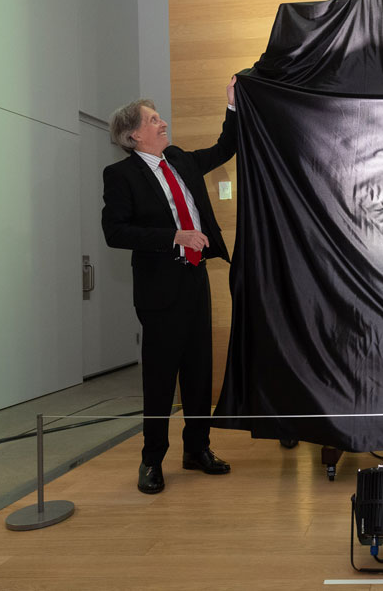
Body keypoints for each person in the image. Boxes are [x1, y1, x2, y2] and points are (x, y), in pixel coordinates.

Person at [102, 77, 237, 493]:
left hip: (196, 280)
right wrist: (173, 237)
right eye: (154, 119)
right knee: (160, 379)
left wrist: (232, 106)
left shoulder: (178, 159)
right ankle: (151, 461)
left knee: (198, 373)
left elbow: (224, 148)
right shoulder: (120, 175)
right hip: (160, 290)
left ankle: (196, 449)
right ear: (132, 134)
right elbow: (115, 232)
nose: (163, 124)